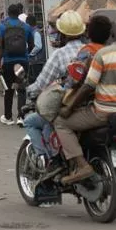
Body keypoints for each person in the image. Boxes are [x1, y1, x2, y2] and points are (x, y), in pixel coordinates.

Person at [53, 16, 116, 184]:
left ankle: (82, 165)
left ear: (112, 34)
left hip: (103, 113)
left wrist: (68, 108)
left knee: (61, 122)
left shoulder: (103, 54)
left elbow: (88, 87)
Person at [24, 12, 100, 161]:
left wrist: (28, 91)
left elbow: (41, 83)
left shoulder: (60, 54)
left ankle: (47, 159)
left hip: (69, 107)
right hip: (92, 107)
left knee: (32, 121)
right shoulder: (92, 51)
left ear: (62, 34)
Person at [0, 4, 35, 126]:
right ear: (19, 13)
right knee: (21, 88)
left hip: (8, 62)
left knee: (9, 89)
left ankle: (8, 117)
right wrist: (26, 54)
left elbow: (0, 46)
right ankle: (21, 117)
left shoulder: (2, 27)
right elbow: (32, 45)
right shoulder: (26, 27)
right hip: (22, 61)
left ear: (8, 13)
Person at [27, 15, 46, 86]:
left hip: (37, 61)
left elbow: (38, 46)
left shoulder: (35, 33)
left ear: (28, 24)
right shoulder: (36, 31)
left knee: (36, 80)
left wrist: (30, 54)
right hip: (37, 61)